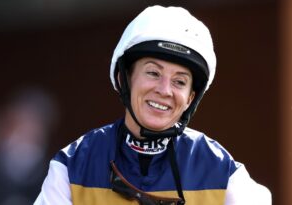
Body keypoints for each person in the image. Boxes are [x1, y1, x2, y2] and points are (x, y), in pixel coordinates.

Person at [34, 5, 271, 205]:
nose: (164, 90)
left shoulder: (223, 171)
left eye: (179, 81)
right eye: (153, 73)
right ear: (124, 79)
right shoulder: (72, 164)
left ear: (190, 98)